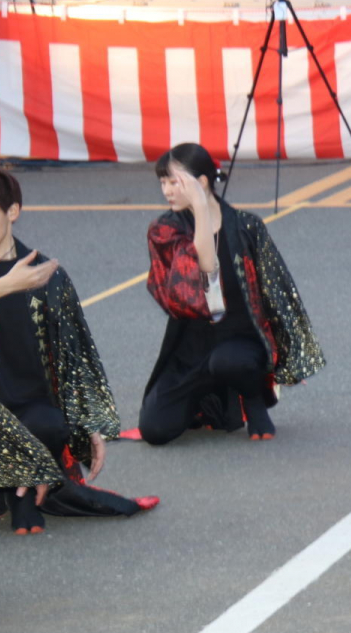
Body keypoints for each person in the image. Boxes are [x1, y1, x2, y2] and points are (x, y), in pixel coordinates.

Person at [0, 166, 158, 534]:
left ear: (12, 212)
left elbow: (74, 356)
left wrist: (88, 426)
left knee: (49, 424)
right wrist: (4, 286)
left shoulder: (47, 275)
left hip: (26, 410)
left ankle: (20, 497)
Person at [135, 143, 325, 445]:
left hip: (240, 342)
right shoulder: (164, 230)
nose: (166, 191)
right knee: (155, 429)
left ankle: (252, 399)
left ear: (202, 182)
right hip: (191, 347)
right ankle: (205, 401)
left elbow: (275, 290)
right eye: (162, 182)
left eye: (174, 182)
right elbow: (199, 273)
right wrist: (200, 209)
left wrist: (280, 353)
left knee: (229, 362)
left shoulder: (246, 225)